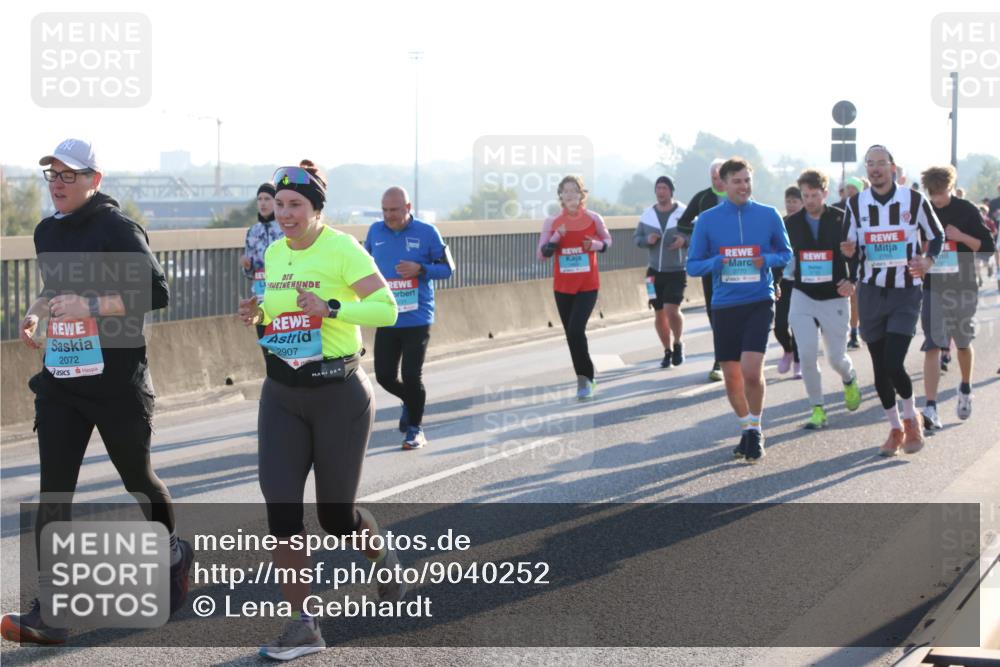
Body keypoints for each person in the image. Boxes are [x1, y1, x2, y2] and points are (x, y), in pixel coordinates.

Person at [1, 139, 192, 645]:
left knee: (138, 480)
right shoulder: (47, 231)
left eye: (69, 175)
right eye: (52, 175)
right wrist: (38, 310)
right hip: (62, 382)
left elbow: (157, 292)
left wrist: (90, 304)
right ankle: (53, 612)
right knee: (54, 493)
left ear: (94, 180)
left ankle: (173, 551)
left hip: (117, 382)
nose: (58, 184)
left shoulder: (116, 227)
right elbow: (52, 286)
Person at [237, 161, 403, 660]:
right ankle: (304, 625)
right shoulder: (276, 250)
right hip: (282, 394)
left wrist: (332, 309)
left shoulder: (343, 249)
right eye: (280, 205)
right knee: (281, 507)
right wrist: (258, 312)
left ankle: (379, 553)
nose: (285, 214)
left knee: (335, 517)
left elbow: (388, 309)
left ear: (316, 209)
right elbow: (277, 307)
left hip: (339, 394)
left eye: (296, 206)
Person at [841, 145, 944, 457]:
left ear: (893, 168)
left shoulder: (913, 200)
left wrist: (928, 260)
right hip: (871, 291)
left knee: (893, 362)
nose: (875, 169)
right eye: (870, 164)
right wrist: (848, 254)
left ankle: (912, 419)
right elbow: (851, 247)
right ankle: (895, 428)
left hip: (905, 290)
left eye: (881, 164)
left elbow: (936, 235)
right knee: (878, 368)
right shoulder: (856, 204)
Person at [687, 157, 792, 464]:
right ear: (723, 184)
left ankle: (757, 428)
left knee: (750, 371)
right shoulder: (707, 220)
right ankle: (746, 428)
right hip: (724, 305)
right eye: (737, 181)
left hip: (759, 300)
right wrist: (713, 264)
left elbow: (786, 253)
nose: (744, 186)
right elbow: (692, 265)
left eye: (747, 180)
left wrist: (767, 261)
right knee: (732, 376)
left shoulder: (769, 215)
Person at [365, 186, 454, 450]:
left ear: (408, 207)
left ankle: (415, 430)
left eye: (394, 210)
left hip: (417, 317)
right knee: (384, 376)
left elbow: (448, 269)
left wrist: (421, 268)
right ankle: (411, 400)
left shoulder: (427, 233)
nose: (388, 216)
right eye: (384, 210)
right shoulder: (375, 231)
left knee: (412, 375)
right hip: (387, 315)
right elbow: (365, 265)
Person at [917, 166, 995, 429]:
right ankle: (930, 407)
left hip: (962, 285)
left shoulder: (966, 210)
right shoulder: (924, 211)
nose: (936, 198)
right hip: (933, 286)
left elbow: (987, 247)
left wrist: (960, 236)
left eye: (940, 192)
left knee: (962, 342)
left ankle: (965, 387)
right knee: (933, 344)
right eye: (932, 193)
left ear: (950, 187)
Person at [785, 169, 862, 429]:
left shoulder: (842, 220)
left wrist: (852, 281)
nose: (809, 201)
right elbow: (782, 255)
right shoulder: (791, 223)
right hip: (803, 295)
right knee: (806, 354)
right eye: (805, 195)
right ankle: (817, 409)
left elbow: (859, 255)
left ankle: (849, 377)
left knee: (835, 359)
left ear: (825, 194)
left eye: (814, 195)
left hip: (834, 296)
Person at [537, 175, 612, 400]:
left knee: (576, 330)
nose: (570, 195)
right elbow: (541, 255)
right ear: (560, 195)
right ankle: (585, 377)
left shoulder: (593, 218)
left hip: (588, 285)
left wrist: (596, 245)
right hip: (563, 286)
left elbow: (608, 241)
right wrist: (555, 240)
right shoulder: (552, 222)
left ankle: (585, 379)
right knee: (571, 335)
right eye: (565, 191)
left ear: (582, 195)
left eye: (574, 191)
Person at [677, 159, 728, 382]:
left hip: (737, 264)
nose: (717, 181)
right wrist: (699, 229)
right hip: (710, 264)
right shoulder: (703, 198)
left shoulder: (740, 197)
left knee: (736, 310)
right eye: (713, 177)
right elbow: (683, 223)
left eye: (720, 176)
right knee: (714, 311)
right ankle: (720, 357)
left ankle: (735, 354)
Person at [633, 176, 688, 368]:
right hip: (652, 273)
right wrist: (647, 239)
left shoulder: (683, 212)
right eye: (658, 188)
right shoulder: (647, 214)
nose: (660, 192)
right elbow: (636, 238)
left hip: (677, 270)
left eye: (664, 188)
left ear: (671, 191)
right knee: (658, 314)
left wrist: (684, 240)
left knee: (671, 310)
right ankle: (667, 350)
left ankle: (678, 342)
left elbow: (697, 233)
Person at [241, 183, 284, 354]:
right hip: (260, 298)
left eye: (267, 198)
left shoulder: (285, 228)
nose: (263, 203)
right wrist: (246, 265)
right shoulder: (253, 231)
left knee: (283, 348)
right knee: (267, 349)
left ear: (276, 202)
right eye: (259, 199)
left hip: (282, 296)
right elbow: (249, 273)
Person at [773, 186, 803, 378]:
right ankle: (788, 350)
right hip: (783, 281)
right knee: (780, 326)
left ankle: (799, 362)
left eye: (795, 201)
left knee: (799, 324)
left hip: (802, 282)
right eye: (788, 201)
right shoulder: (780, 223)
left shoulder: (806, 225)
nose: (791, 205)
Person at [836, 176, 867, 349]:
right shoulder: (836, 208)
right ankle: (850, 331)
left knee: (856, 299)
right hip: (841, 259)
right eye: (847, 188)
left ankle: (856, 331)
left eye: (853, 189)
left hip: (861, 260)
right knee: (848, 298)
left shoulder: (865, 208)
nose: (849, 192)